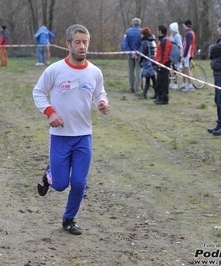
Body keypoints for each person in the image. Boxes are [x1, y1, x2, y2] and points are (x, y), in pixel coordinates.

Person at [32, 24, 110, 235]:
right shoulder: (55, 70)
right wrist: (50, 113)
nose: (82, 46)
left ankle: (69, 219)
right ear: (68, 44)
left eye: (85, 42)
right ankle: (49, 175)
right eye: (77, 42)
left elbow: (99, 94)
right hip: (60, 136)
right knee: (59, 184)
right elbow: (38, 92)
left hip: (83, 136)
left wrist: (102, 103)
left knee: (78, 183)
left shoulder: (95, 71)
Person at [121, 18, 142, 93]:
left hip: (130, 54)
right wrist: (137, 53)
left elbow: (124, 44)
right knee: (138, 71)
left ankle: (131, 87)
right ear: (139, 23)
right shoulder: (142, 32)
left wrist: (130, 52)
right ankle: (137, 88)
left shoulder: (128, 32)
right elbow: (142, 44)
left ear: (132, 23)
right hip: (139, 54)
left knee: (131, 71)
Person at [153, 25, 172, 105]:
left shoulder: (166, 40)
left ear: (160, 31)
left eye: (157, 31)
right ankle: (160, 96)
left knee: (164, 82)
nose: (157, 32)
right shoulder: (162, 40)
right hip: (159, 63)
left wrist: (161, 64)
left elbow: (165, 54)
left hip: (164, 64)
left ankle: (164, 98)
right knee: (159, 81)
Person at [139, 27, 157, 99]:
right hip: (153, 61)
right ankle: (156, 93)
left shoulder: (144, 42)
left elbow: (143, 53)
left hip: (148, 62)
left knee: (147, 79)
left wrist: (140, 61)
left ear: (144, 34)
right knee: (153, 78)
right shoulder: (153, 41)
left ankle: (144, 94)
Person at [180, 19, 196, 92]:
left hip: (188, 54)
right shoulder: (191, 32)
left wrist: (184, 55)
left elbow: (188, 46)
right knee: (184, 69)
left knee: (187, 69)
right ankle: (183, 84)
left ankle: (190, 85)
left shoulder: (189, 33)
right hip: (188, 53)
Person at [169, 22, 182, 89]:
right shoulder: (170, 36)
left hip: (176, 55)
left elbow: (180, 46)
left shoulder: (177, 37)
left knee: (175, 68)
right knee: (171, 68)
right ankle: (171, 81)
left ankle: (175, 83)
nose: (170, 30)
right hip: (171, 54)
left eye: (170, 28)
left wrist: (181, 55)